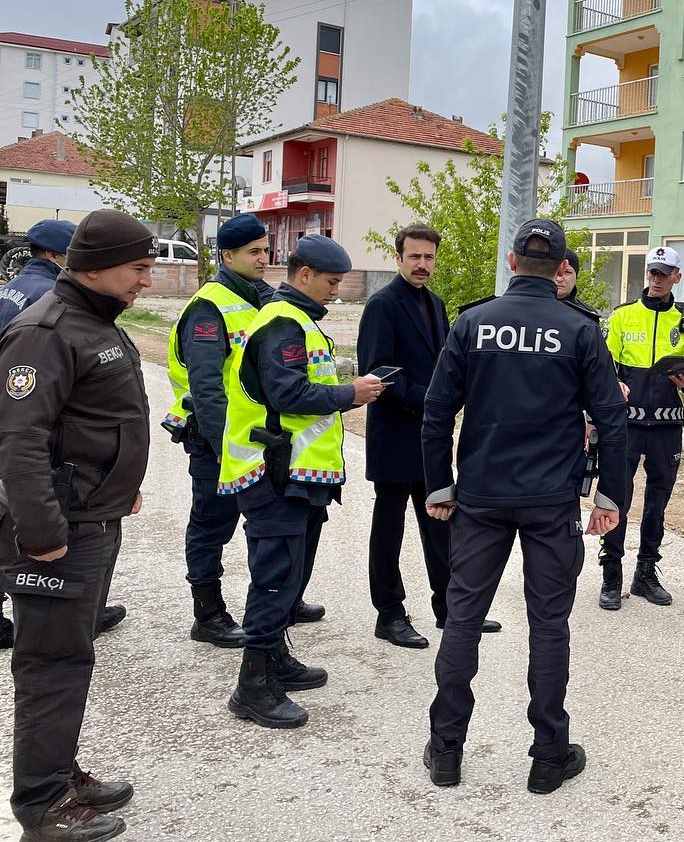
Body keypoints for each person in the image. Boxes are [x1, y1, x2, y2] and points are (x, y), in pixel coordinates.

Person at [422, 218, 627, 796]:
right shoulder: (580, 330)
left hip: (481, 498)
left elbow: (437, 414)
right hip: (550, 500)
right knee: (548, 624)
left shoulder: (472, 323)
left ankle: (447, 750)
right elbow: (612, 421)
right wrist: (609, 496)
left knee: (463, 618)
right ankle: (548, 756)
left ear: (512, 262)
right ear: (561, 269)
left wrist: (440, 485)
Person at [0, 209, 157, 842]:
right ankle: (40, 805)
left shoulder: (96, 321)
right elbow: (18, 442)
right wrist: (42, 534)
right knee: (50, 663)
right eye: (140, 268)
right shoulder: (45, 331)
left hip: (92, 517)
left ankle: (59, 774)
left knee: (71, 655)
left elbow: (92, 423)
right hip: (54, 534)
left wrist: (121, 484)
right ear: (96, 267)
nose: (148, 280)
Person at [219, 235, 384, 729]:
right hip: (273, 473)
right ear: (305, 273)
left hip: (296, 474)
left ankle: (276, 658)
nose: (337, 291)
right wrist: (349, 393)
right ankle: (252, 685)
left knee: (292, 572)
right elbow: (288, 392)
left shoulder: (299, 322)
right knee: (274, 575)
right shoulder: (284, 323)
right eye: (332, 282)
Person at [357, 223, 499, 649]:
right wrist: (433, 401)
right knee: (390, 528)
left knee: (441, 523)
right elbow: (378, 371)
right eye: (414, 256)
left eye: (429, 257)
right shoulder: (382, 305)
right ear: (398, 257)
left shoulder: (435, 304)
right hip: (395, 433)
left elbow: (445, 366)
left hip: (430, 438)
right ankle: (389, 613)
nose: (422, 264)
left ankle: (450, 608)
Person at [162, 213, 274, 648]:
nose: (264, 258)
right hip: (214, 437)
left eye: (266, 250)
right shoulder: (210, 307)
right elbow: (207, 386)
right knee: (212, 522)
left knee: (266, 520)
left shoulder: (256, 298)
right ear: (227, 256)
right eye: (254, 252)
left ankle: (274, 596)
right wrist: (219, 445)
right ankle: (207, 612)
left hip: (251, 436)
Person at [598, 245, 684, 610]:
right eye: (652, 272)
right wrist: (612, 387)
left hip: (667, 426)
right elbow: (604, 366)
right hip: (626, 424)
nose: (655, 279)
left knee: (657, 504)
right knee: (616, 500)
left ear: (677, 277)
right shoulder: (623, 316)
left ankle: (645, 575)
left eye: (663, 273)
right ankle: (611, 576)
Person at [0, 219, 77, 653]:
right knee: (32, 507)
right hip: (30, 410)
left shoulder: (10, 286)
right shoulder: (47, 296)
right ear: (55, 255)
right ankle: (49, 597)